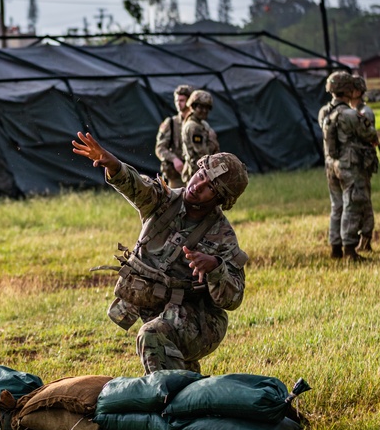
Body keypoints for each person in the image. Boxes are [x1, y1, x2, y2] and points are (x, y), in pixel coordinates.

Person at [72, 131, 249, 375]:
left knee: (152, 336)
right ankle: (188, 395)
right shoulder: (163, 200)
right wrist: (113, 164)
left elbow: (233, 299)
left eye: (209, 187)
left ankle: (166, 403)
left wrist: (214, 267)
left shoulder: (223, 236)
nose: (197, 186)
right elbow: (137, 186)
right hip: (163, 310)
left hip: (202, 321)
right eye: (200, 175)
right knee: (175, 365)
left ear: (220, 199)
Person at [318, 71, 378, 261]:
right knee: (352, 204)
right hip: (349, 165)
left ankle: (335, 248)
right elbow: (370, 134)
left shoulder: (324, 113)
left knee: (337, 206)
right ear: (347, 90)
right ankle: (350, 250)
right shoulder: (351, 114)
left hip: (330, 164)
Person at [350, 75, 380, 252]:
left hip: (363, 162)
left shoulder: (364, 112)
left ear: (358, 91)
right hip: (355, 162)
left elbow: (368, 136)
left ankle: (366, 238)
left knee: (364, 200)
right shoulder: (351, 110)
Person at [154, 84, 194, 188]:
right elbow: (160, 148)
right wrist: (174, 159)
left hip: (195, 174)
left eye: (182, 100)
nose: (178, 104)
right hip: (177, 175)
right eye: (177, 100)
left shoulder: (197, 124)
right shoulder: (171, 123)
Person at [179, 89, 219, 186]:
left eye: (207, 108)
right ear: (193, 107)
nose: (204, 111)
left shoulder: (202, 124)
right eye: (200, 107)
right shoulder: (194, 127)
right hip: (198, 175)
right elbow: (203, 154)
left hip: (202, 172)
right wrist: (212, 142)